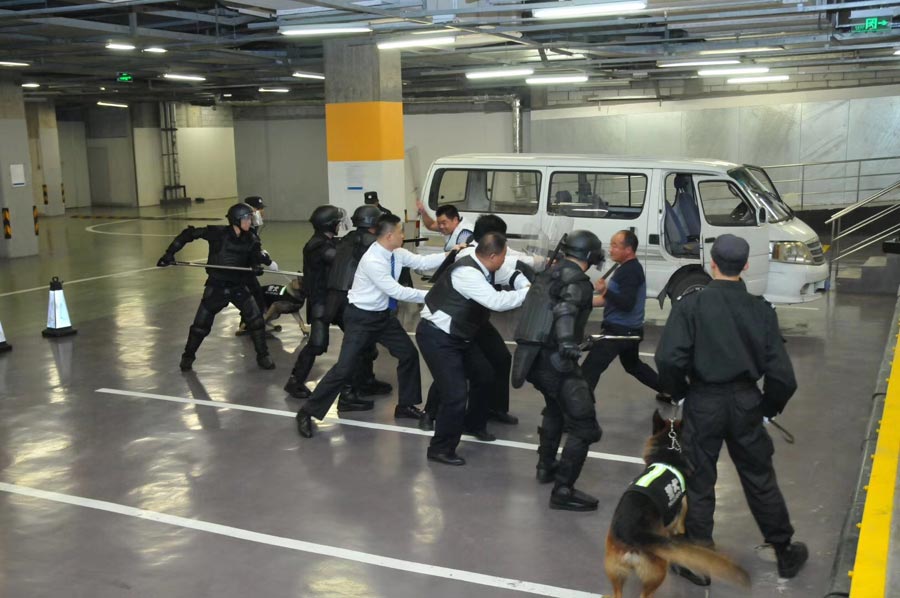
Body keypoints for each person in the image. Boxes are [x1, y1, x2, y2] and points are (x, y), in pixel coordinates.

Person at [655, 234, 807, 584]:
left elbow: (668, 359)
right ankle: (784, 550)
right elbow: (784, 376)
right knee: (759, 478)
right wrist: (766, 409)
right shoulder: (761, 310)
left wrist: (680, 394)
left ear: (712, 263)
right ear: (746, 266)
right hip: (746, 403)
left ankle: (700, 560)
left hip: (704, 401)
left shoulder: (691, 306)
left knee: (700, 478)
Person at [295, 213, 448, 438]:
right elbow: (397, 291)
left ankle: (405, 405)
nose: (403, 235)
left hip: (382, 316)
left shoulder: (396, 252)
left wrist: (453, 253)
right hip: (360, 318)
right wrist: (434, 295)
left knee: (408, 354)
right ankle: (307, 412)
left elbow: (423, 263)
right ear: (389, 235)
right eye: (400, 231)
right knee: (344, 368)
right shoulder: (373, 260)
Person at [417, 232, 530, 465]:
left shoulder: (485, 263)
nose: (505, 260)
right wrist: (530, 294)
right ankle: (440, 448)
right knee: (455, 394)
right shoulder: (468, 273)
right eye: (503, 256)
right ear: (492, 255)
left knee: (485, 375)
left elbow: (512, 275)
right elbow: (496, 302)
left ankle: (472, 424)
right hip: (437, 336)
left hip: (459, 335)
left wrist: (526, 285)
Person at [513, 230, 605, 511]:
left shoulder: (549, 273)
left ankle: (545, 465)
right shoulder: (577, 280)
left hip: (534, 359)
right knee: (585, 425)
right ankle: (563, 489)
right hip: (555, 360)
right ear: (590, 255)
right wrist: (567, 341)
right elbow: (565, 310)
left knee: (554, 407)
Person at [157, 202, 275, 371]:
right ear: (236, 220)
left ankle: (263, 356)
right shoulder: (217, 233)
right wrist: (169, 254)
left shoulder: (252, 238)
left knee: (256, 321)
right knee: (200, 327)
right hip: (216, 287)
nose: (250, 221)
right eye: (247, 218)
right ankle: (188, 357)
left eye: (250, 218)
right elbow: (189, 234)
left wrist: (256, 267)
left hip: (239, 286)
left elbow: (253, 258)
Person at [284, 205, 373, 411]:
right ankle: (295, 382)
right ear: (330, 224)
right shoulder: (317, 246)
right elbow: (341, 258)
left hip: (336, 298)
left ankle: (365, 381)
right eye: (336, 221)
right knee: (317, 344)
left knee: (362, 340)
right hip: (322, 301)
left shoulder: (328, 241)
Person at [582, 230, 662, 396]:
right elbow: (610, 300)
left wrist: (604, 291)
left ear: (628, 250)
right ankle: (671, 391)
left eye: (615, 246)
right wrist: (580, 301)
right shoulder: (625, 268)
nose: (610, 249)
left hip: (620, 332)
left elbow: (626, 304)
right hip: (629, 330)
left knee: (590, 369)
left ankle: (580, 415)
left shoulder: (630, 271)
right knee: (633, 365)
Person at [236, 195, 278, 337]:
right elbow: (250, 249)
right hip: (243, 270)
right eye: (257, 209)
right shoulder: (244, 227)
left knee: (250, 297)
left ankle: (247, 323)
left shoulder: (251, 226)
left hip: (248, 269)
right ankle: (256, 328)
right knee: (256, 298)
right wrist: (267, 261)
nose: (261, 212)